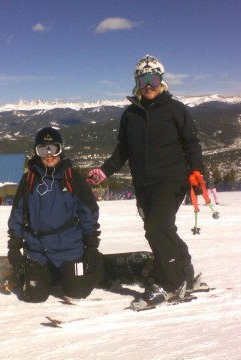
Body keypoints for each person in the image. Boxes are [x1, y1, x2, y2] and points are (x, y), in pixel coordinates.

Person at [87, 55, 206, 306]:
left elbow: (191, 144)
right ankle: (184, 272)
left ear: (162, 81)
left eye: (153, 78)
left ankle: (170, 285)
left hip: (171, 180)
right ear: (137, 82)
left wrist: (197, 172)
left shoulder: (175, 110)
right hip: (143, 184)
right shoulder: (130, 115)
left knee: (157, 228)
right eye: (143, 79)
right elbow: (123, 150)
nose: (149, 84)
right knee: (158, 231)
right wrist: (105, 171)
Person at [7, 127, 104, 303]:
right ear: (37, 153)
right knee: (34, 297)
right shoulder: (29, 180)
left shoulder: (71, 178)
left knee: (77, 294)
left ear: (61, 150)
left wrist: (91, 244)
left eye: (54, 149)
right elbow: (18, 213)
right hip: (38, 250)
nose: (49, 155)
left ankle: (98, 268)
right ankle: (44, 275)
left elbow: (88, 211)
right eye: (43, 150)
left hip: (69, 249)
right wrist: (14, 245)